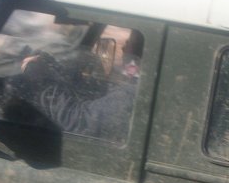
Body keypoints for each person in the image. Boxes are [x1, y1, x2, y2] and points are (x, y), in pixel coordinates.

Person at [15, 30, 143, 143]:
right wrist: (52, 65)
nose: (124, 48)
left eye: (129, 43)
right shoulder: (135, 86)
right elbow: (95, 90)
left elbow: (77, 122)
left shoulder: (134, 95)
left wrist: (42, 83)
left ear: (142, 52)